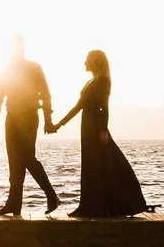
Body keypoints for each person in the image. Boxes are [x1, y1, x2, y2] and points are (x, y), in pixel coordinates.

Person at [52, 50, 146, 217]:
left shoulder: (102, 81)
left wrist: (103, 129)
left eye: (87, 60)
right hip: (87, 126)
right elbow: (78, 106)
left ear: (94, 62)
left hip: (96, 127)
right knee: (90, 166)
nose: (84, 63)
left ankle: (104, 206)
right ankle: (88, 206)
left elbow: (104, 106)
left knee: (102, 165)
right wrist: (59, 124)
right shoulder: (91, 82)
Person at [0, 36, 60, 216]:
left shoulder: (34, 68)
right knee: (14, 162)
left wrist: (48, 119)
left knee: (27, 158)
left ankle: (51, 196)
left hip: (28, 117)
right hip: (11, 118)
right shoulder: (5, 70)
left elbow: (46, 94)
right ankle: (14, 204)